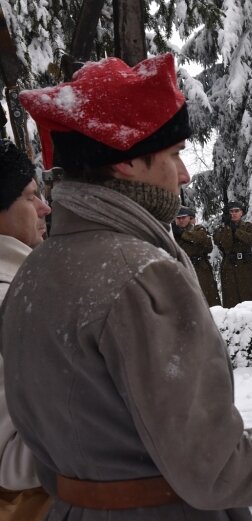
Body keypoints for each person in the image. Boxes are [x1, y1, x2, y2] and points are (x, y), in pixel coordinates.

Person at [1, 53, 252, 520]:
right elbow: (214, 468)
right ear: (127, 162)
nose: (184, 174)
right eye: (174, 154)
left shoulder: (33, 275)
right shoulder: (140, 276)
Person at [0, 140, 52, 521]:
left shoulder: (21, 286)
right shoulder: (11, 300)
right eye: (30, 196)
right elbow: (10, 463)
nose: (44, 208)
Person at [214, 201, 252, 306]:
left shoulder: (248, 227)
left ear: (242, 213)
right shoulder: (222, 229)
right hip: (230, 266)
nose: (233, 214)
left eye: (236, 211)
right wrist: (228, 228)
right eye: (231, 211)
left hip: (246, 265)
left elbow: (251, 239)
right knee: (232, 299)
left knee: (250, 298)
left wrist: (236, 230)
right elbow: (224, 244)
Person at [173, 206, 221, 306]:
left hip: (200, 269)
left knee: (208, 299)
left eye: (183, 217)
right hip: (183, 269)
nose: (181, 220)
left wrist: (182, 234)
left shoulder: (199, 230)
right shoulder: (172, 234)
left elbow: (201, 239)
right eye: (178, 218)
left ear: (190, 218)